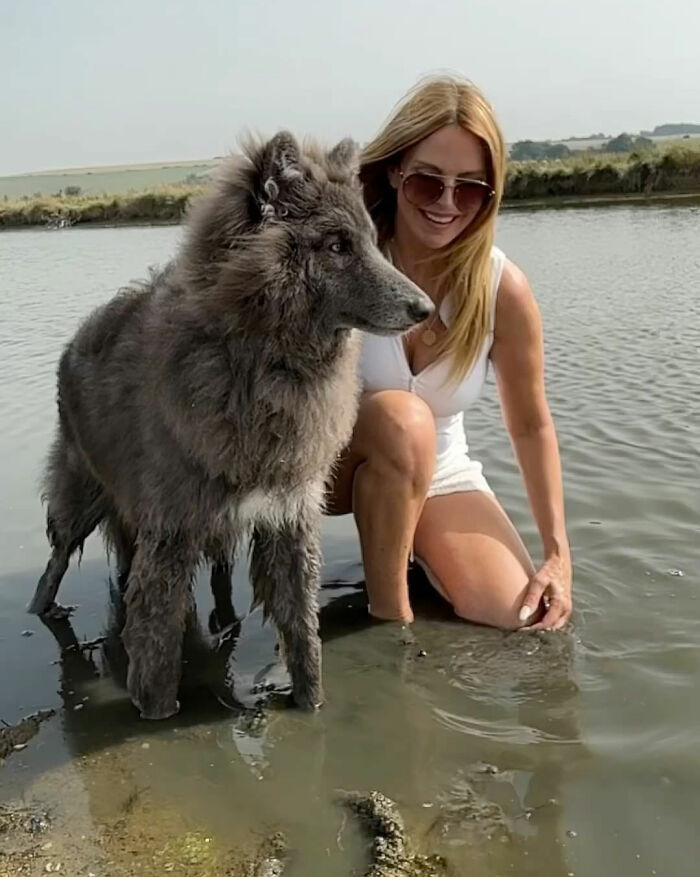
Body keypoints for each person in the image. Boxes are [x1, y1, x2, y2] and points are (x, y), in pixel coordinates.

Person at [326, 74, 572, 631]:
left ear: (490, 195)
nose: (445, 204)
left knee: (526, 617)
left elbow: (531, 426)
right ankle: (392, 623)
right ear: (394, 172)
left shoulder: (502, 289)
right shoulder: (342, 261)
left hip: (438, 470)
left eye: (468, 189)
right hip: (323, 462)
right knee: (404, 419)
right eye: (426, 183)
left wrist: (559, 555)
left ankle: (413, 544)